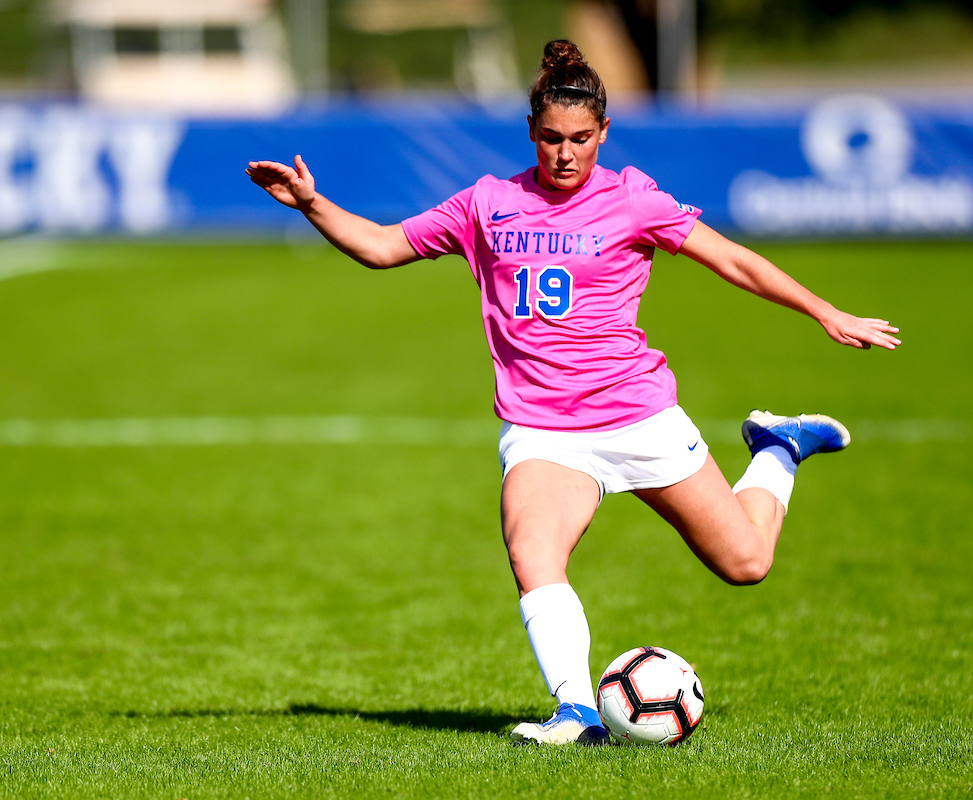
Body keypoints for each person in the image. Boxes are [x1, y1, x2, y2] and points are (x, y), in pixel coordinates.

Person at [246, 39, 900, 746]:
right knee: (534, 552)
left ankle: (777, 448)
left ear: (604, 134)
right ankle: (578, 713)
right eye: (552, 138)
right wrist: (312, 205)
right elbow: (380, 245)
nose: (565, 153)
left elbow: (733, 260)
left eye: (582, 139)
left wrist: (825, 311)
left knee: (746, 563)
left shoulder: (633, 200)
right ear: (531, 132)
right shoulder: (487, 203)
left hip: (637, 416)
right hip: (543, 431)